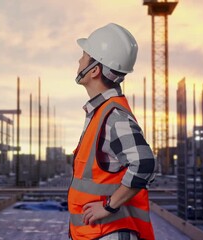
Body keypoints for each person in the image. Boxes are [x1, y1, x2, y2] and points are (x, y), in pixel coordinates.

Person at [68, 23, 157, 240]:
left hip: (108, 233)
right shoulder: (101, 113)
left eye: (83, 56)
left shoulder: (113, 117)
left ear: (95, 70)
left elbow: (144, 163)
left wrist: (108, 207)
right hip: (95, 233)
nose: (79, 62)